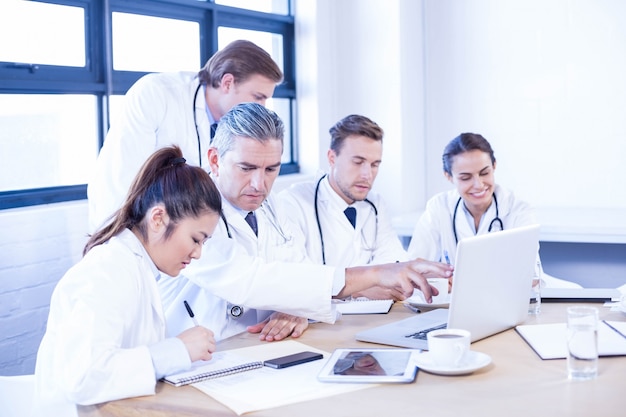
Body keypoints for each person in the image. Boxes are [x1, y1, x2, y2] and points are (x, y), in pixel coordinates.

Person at [158, 103, 454, 342]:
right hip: (202, 354)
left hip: (260, 348)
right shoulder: (189, 208)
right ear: (214, 159)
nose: (259, 183)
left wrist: (300, 306)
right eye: (246, 168)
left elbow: (299, 268)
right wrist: (375, 273)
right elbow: (250, 280)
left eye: (271, 168)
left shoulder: (271, 206)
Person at [34, 146, 222, 416]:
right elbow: (84, 375)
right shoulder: (108, 270)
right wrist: (177, 350)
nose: (198, 253)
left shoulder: (138, 267)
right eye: (196, 239)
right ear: (158, 218)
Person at [87, 39, 283, 232]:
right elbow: (119, 180)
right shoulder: (155, 94)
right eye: (258, 97)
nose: (261, 107)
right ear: (227, 83)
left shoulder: (231, 127)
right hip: (131, 231)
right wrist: (119, 240)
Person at [407, 132, 580, 289]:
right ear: (449, 176)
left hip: (509, 299)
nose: (479, 185)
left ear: (494, 166)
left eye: (484, 173)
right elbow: (413, 269)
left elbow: (529, 275)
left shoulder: (517, 209)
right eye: (466, 177)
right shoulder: (439, 208)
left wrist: (453, 277)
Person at [276, 114, 411, 300]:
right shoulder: (293, 203)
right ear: (332, 158)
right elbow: (298, 278)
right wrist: (360, 289)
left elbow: (393, 259)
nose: (367, 174)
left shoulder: (375, 203)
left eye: (374, 165)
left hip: (377, 315)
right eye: (358, 162)